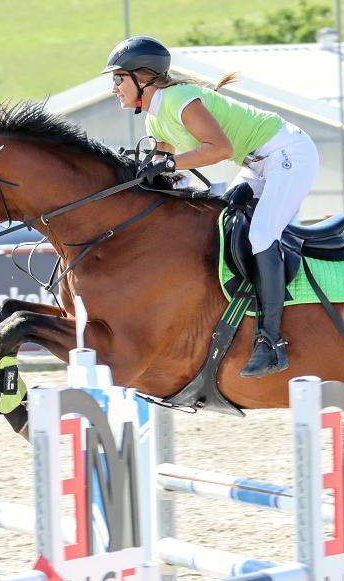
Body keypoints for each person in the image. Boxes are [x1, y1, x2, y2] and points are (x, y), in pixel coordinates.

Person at [102, 35, 321, 379]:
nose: (114, 87)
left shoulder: (179, 99)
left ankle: (271, 343)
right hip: (256, 164)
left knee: (261, 236)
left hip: (288, 154)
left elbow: (219, 149)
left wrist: (170, 163)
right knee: (221, 225)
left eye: (118, 79)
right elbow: (162, 171)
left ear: (141, 77)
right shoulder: (155, 119)